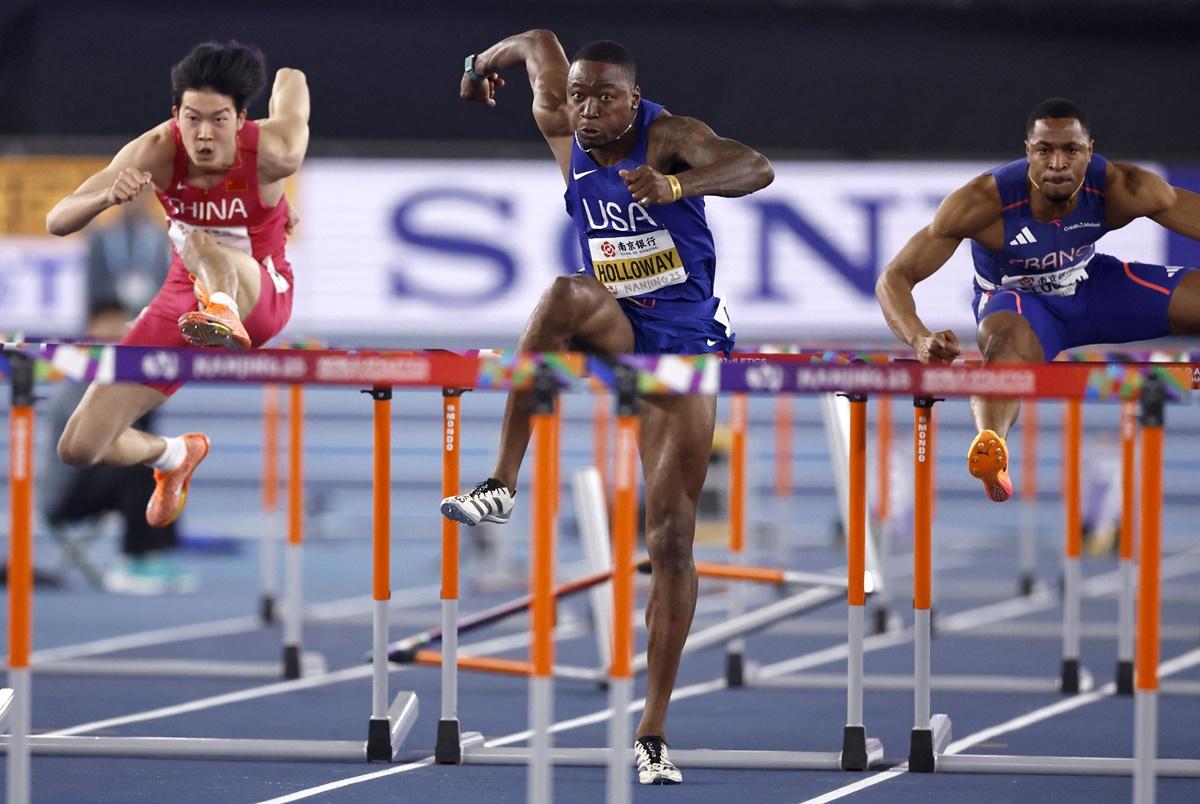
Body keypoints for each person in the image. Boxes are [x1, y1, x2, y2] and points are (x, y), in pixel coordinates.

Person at [439, 30, 773, 784]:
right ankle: (499, 482)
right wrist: (474, 68)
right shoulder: (563, 118)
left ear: (633, 99)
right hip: (614, 321)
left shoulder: (673, 137)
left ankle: (652, 729)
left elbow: (758, 167)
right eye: (579, 95)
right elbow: (533, 41)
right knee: (560, 294)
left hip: (681, 340)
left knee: (673, 536)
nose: (585, 110)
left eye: (604, 99)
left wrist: (678, 187)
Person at [876, 97, 1200, 502]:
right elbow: (893, 278)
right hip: (1019, 304)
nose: (1058, 163)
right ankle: (992, 445)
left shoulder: (1124, 187)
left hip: (1093, 287)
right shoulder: (983, 202)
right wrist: (919, 338)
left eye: (1071, 150)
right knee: (1004, 342)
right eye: (1045, 150)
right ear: (1028, 151)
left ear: (1090, 151)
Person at [46, 41, 309, 527]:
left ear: (240, 118)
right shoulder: (155, 151)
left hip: (260, 295)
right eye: (192, 118)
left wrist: (287, 71)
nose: (203, 135)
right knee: (80, 446)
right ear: (175, 114)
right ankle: (173, 456)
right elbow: (57, 220)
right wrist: (106, 195)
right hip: (182, 300)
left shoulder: (276, 151)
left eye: (218, 120)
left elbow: (292, 80)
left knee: (204, 244)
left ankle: (221, 312)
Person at [39, 300, 195, 594]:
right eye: (107, 324)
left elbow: (140, 432)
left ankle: (154, 554)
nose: (114, 331)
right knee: (141, 469)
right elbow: (97, 440)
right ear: (91, 329)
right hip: (69, 486)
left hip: (103, 472)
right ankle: (134, 560)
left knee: (168, 463)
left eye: (121, 324)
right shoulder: (81, 371)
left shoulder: (128, 371)